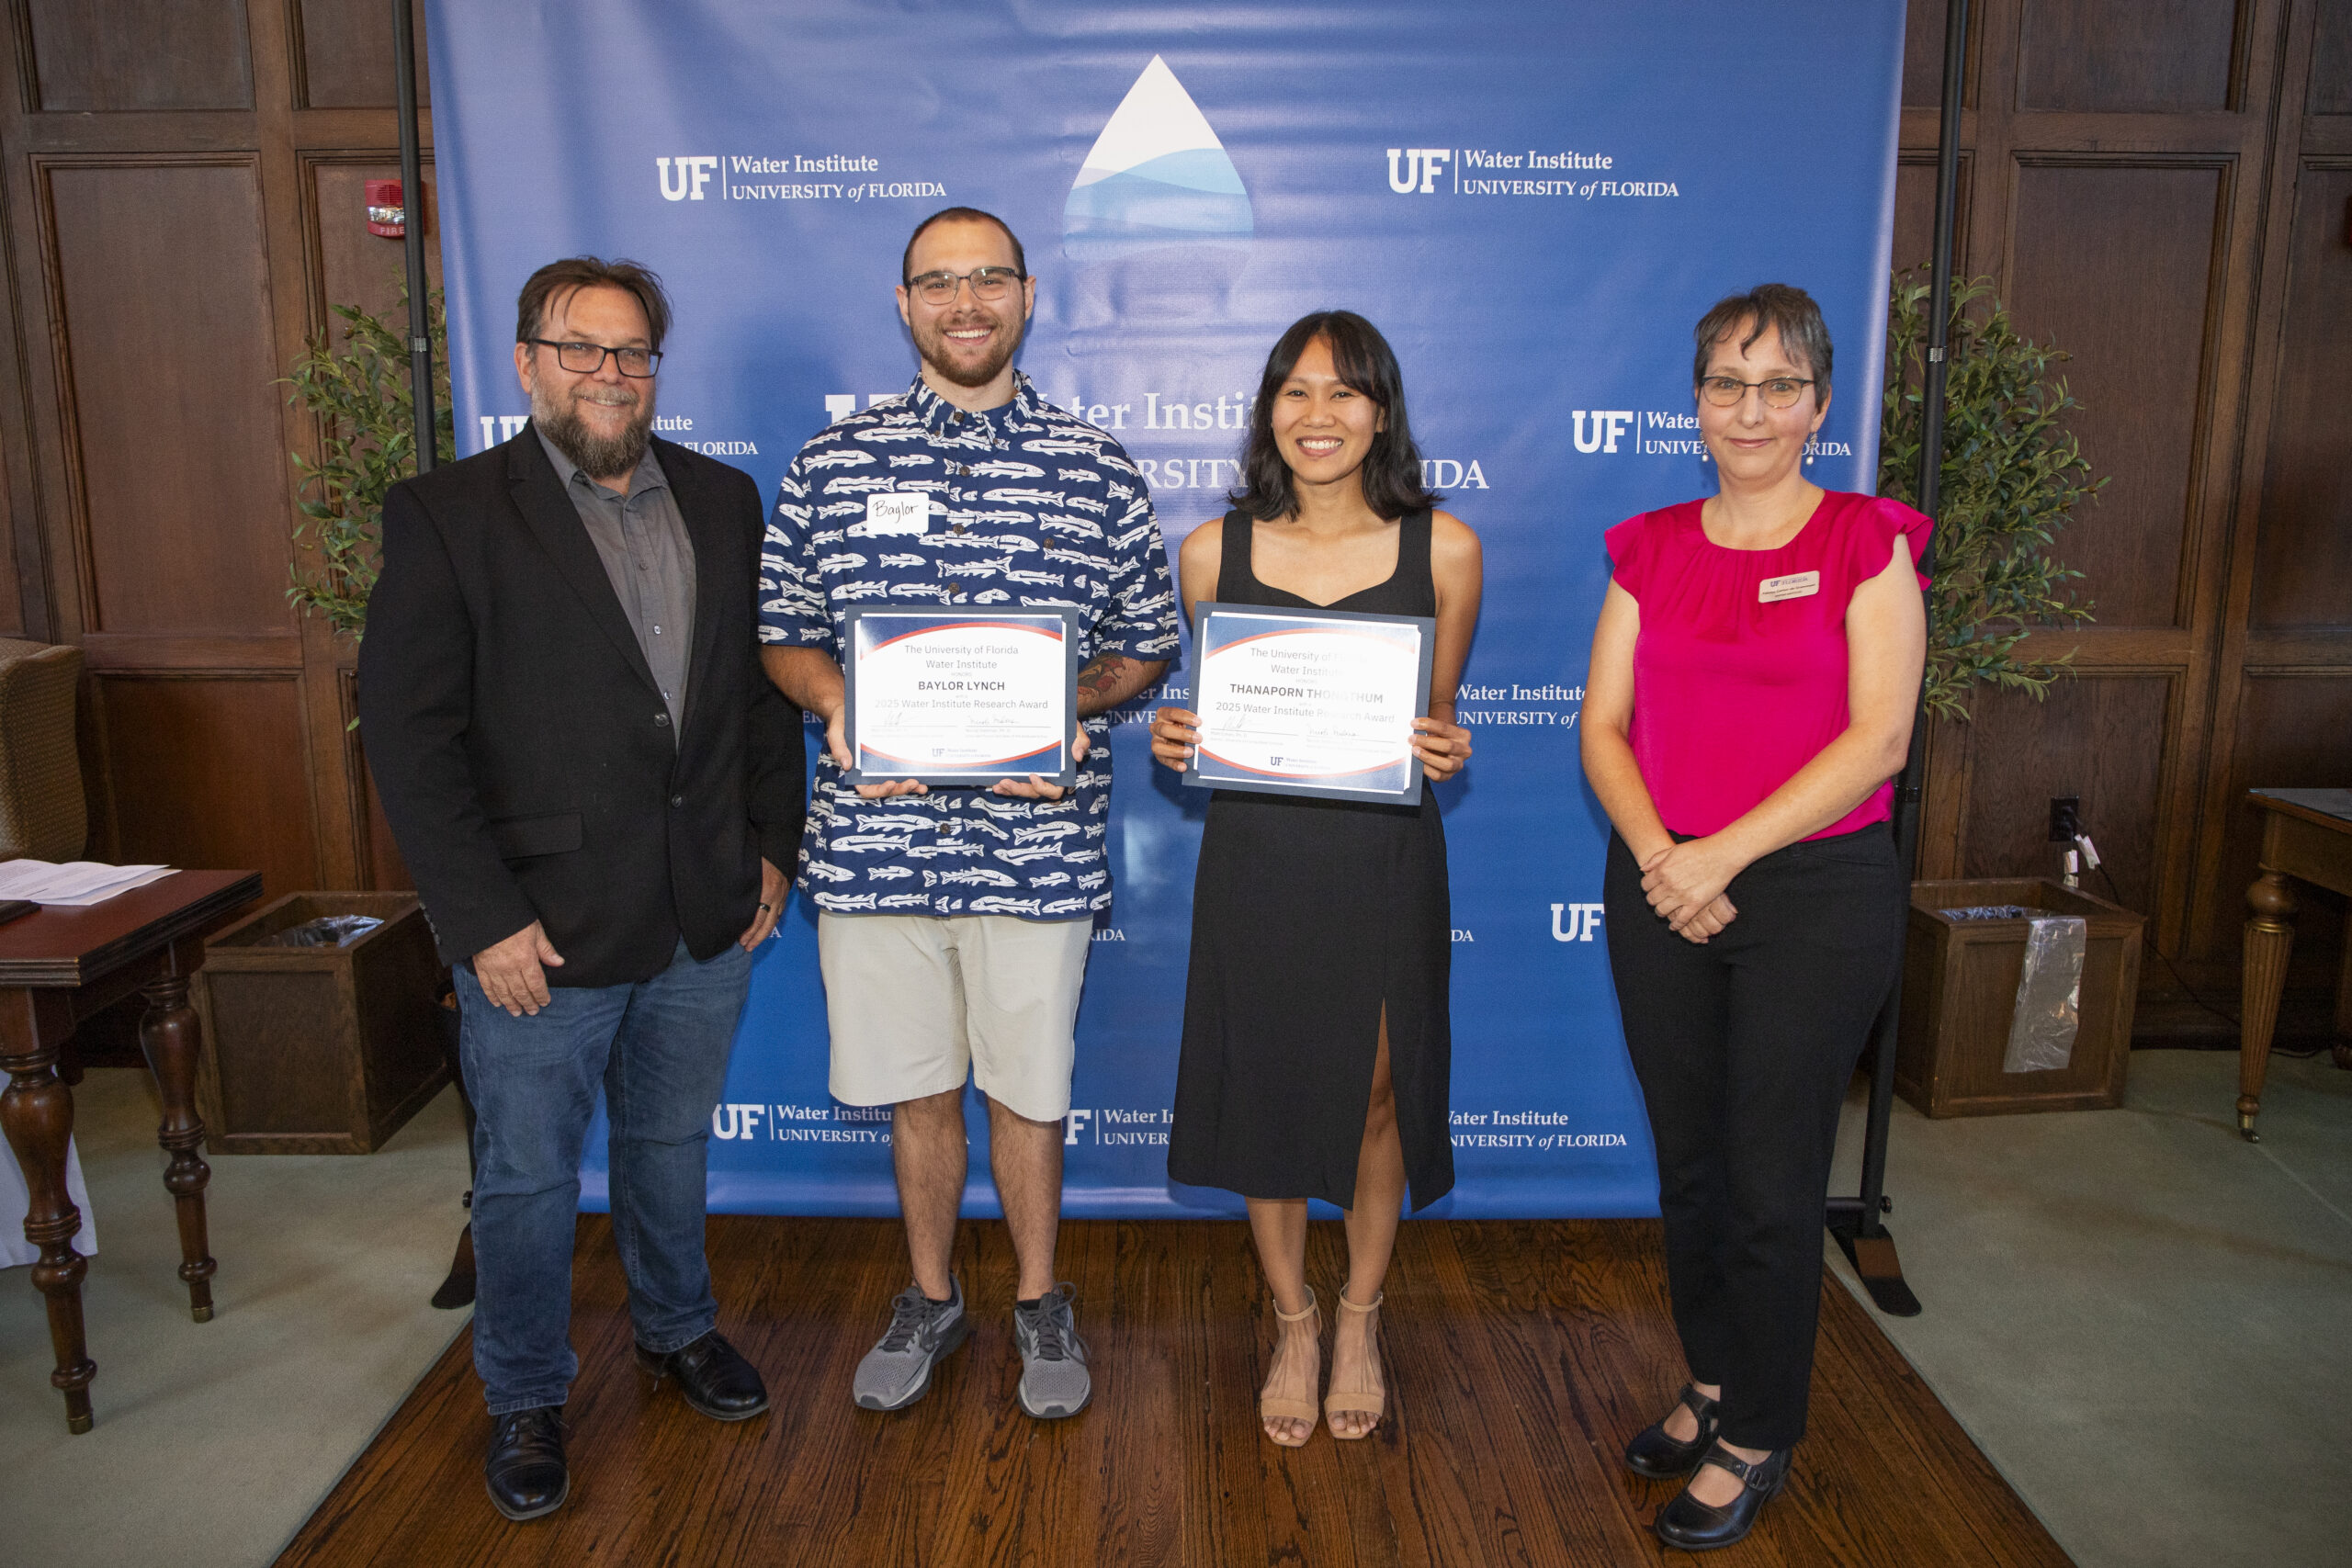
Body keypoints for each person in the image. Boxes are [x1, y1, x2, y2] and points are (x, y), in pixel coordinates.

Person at [359, 258, 807, 1520]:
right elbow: (410, 736)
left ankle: (676, 1328)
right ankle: (525, 1393)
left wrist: (774, 845)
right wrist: (481, 919)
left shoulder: (723, 500)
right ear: (528, 362)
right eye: (581, 349)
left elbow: (760, 696)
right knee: (526, 1179)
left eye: (632, 352)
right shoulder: (446, 513)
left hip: (702, 912)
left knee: (668, 1146)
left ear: (655, 368)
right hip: (535, 932)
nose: (609, 373)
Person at [759, 208, 1178, 1421]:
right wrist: (838, 701)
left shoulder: (1094, 465)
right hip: (876, 846)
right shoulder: (833, 463)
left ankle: (1040, 1297)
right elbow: (783, 632)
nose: (966, 302)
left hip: (1035, 849)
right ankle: (932, 1294)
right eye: (939, 282)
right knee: (917, 1088)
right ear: (904, 304)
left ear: (1028, 295)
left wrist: (1062, 704)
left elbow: (1147, 642)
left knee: (1031, 1089)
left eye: (989, 277)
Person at [1580, 283, 1929, 1551]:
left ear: (1819, 406)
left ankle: (1761, 1429)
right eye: (1728, 384)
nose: (1751, 409)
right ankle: (1717, 1376)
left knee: (1774, 1180)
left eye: (1779, 386)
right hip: (1661, 878)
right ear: (1696, 403)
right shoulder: (1650, 546)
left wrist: (1717, 853)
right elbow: (1602, 726)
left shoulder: (1866, 542)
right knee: (1693, 1167)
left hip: (1812, 894)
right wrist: (1662, 857)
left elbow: (1878, 740)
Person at [1148, 311, 1479, 1446]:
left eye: (1344, 392)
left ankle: (1360, 1315)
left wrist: (1445, 744)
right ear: (1268, 412)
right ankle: (1292, 1321)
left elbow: (1435, 717)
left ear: (1381, 412)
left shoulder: (1446, 549)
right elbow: (1220, 715)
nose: (1318, 414)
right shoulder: (1210, 552)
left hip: (1383, 865)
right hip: (1259, 862)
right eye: (1295, 391)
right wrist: (1181, 738)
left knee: (1379, 1093)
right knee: (1269, 1087)